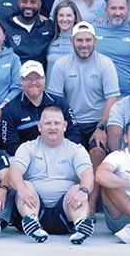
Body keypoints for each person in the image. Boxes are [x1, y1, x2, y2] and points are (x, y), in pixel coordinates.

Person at [8, 105, 97, 244]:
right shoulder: (27, 147)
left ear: (65, 126)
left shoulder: (76, 149)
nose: (52, 127)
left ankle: (80, 225)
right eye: (48, 123)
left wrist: (84, 190)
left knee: (78, 188)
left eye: (57, 123)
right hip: (34, 208)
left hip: (65, 213)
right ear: (39, 126)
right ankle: (32, 223)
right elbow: (15, 171)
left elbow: (87, 174)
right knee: (24, 184)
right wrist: (20, 188)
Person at [47, 22, 120, 190]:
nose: (84, 44)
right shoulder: (61, 64)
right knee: (71, 156)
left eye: (88, 40)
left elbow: (112, 99)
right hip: (71, 123)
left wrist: (101, 127)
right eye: (79, 40)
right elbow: (55, 101)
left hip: (98, 122)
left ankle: (92, 208)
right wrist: (63, 126)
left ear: (95, 41)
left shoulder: (105, 63)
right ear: (72, 41)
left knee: (97, 152)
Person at [0, 60, 79, 155]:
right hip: (27, 161)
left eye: (38, 78)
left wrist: (63, 154)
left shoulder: (60, 103)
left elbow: (74, 132)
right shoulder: (9, 110)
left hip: (61, 155)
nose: (33, 82)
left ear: (44, 79)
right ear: (21, 81)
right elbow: (10, 145)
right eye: (28, 79)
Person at [93, 0, 130, 96]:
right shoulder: (94, 30)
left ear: (128, 10)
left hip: (127, 95)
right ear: (106, 10)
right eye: (113, 8)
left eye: (122, 8)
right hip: (97, 95)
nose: (117, 13)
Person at [4, 0, 54, 66]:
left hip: (41, 77)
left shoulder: (49, 27)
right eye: (24, 1)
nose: (28, 5)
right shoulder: (6, 27)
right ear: (18, 3)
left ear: (40, 4)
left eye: (33, 2)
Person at [46, 0, 80, 69]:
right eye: (61, 15)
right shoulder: (49, 41)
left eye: (69, 15)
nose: (64, 19)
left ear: (75, 18)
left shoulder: (82, 42)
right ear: (56, 17)